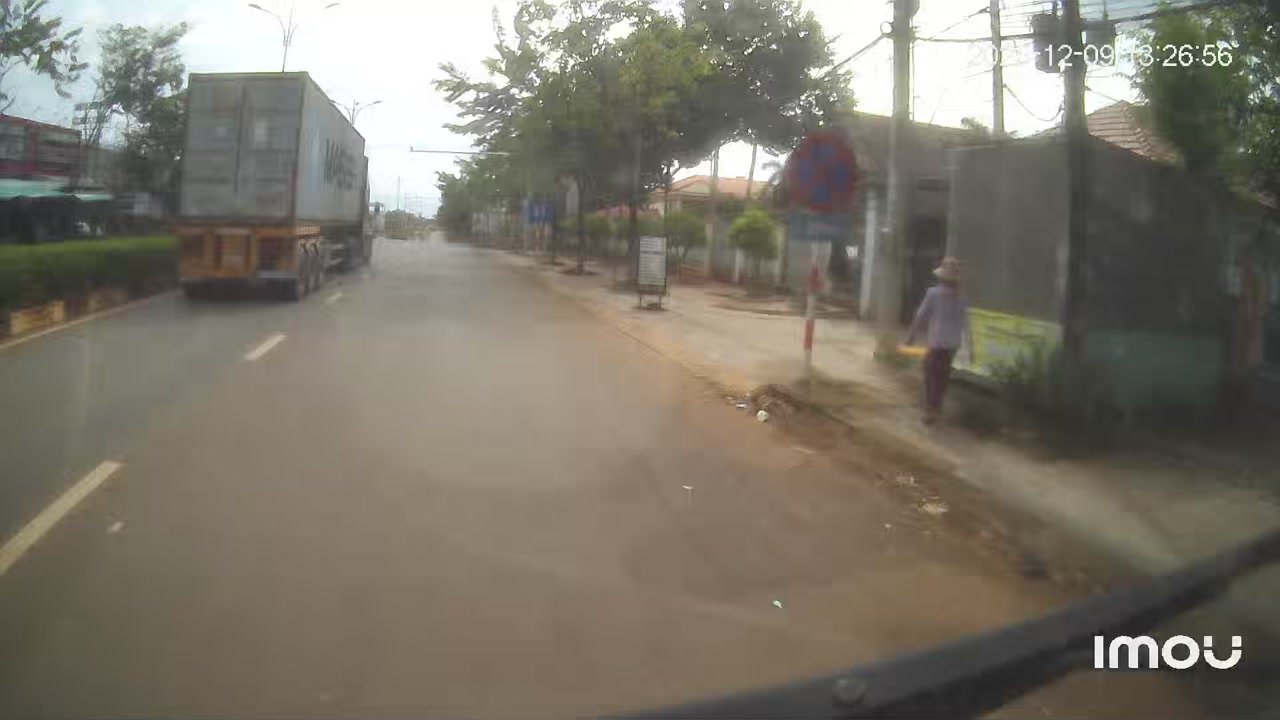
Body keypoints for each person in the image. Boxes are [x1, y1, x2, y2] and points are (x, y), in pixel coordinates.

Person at [905, 257, 974, 424]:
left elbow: (920, 315)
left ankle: (931, 410)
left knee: (930, 374)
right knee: (942, 375)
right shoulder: (961, 298)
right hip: (952, 346)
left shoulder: (933, 293)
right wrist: (971, 349)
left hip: (937, 343)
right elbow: (966, 324)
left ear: (941, 277)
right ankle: (937, 405)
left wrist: (911, 336)